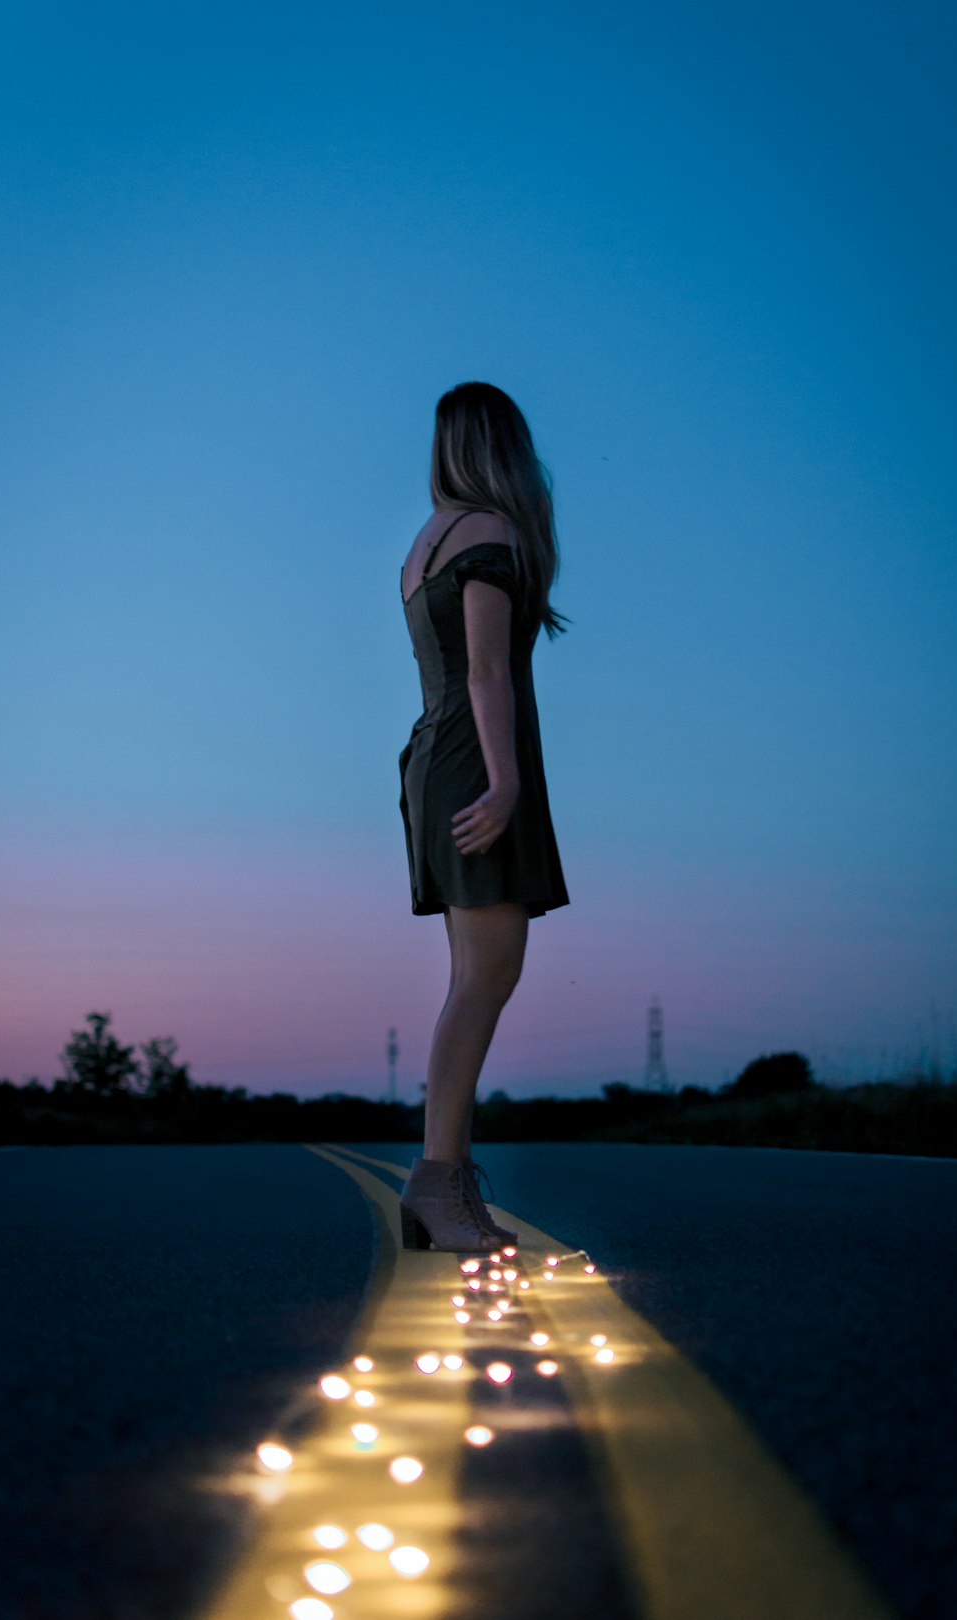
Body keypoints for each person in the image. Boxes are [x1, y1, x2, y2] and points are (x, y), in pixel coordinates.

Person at [396, 382, 571, 1253]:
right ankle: (438, 1181)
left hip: (435, 757)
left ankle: (446, 1180)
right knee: (488, 974)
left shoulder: (425, 542)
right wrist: (506, 787)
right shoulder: (490, 534)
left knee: (473, 975)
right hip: (474, 762)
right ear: (505, 446)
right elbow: (488, 673)